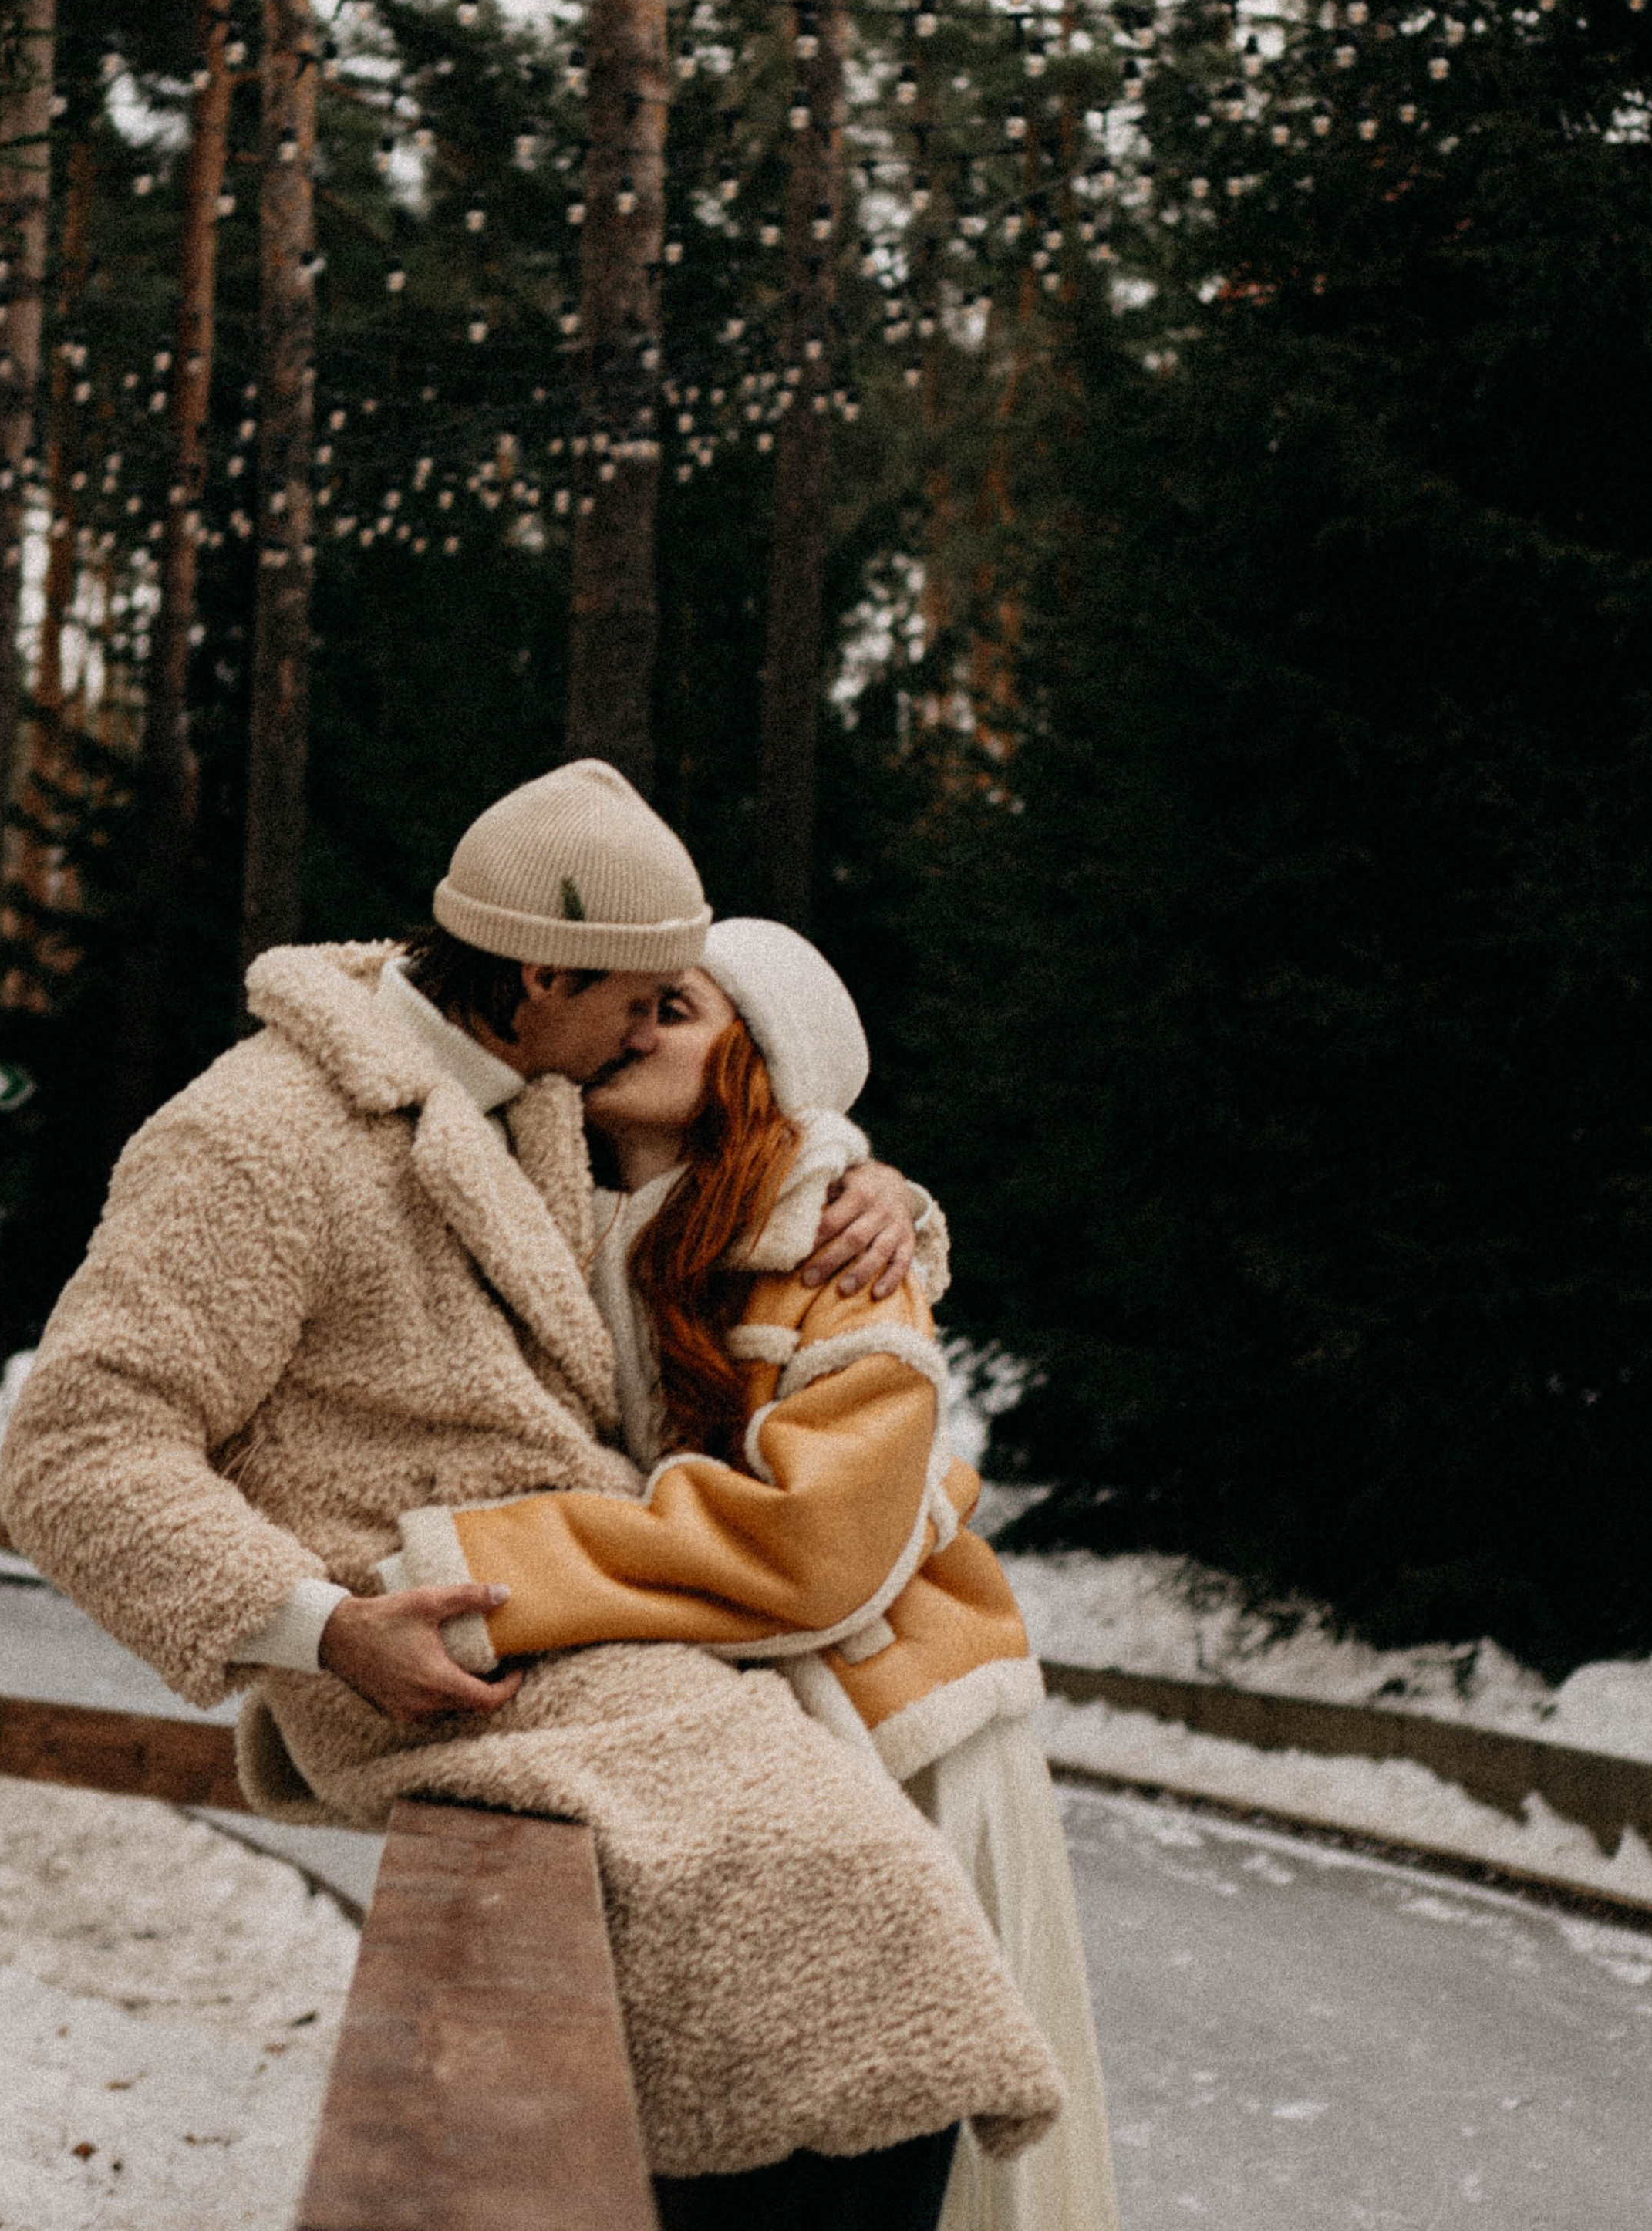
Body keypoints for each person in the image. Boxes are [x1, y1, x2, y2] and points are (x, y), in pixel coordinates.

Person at [0, 762, 1062, 2218]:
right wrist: (322, 1627)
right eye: (643, 998)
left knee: (860, 1915)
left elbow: (712, 1187)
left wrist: (872, 1181)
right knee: (829, 1896)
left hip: (584, 1629)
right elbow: (74, 1454)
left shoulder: (524, 1092)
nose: (654, 1029)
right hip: (428, 1637)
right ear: (545, 970)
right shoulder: (253, 1139)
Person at [383, 916, 1120, 2231]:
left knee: (871, 2146)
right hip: (707, 1734)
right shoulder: (550, 1204)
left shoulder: (839, 1249)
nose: (634, 1026)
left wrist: (509, 1569)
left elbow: (815, 1550)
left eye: (677, 1008)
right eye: (627, 999)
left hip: (889, 1738)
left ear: (761, 1067)